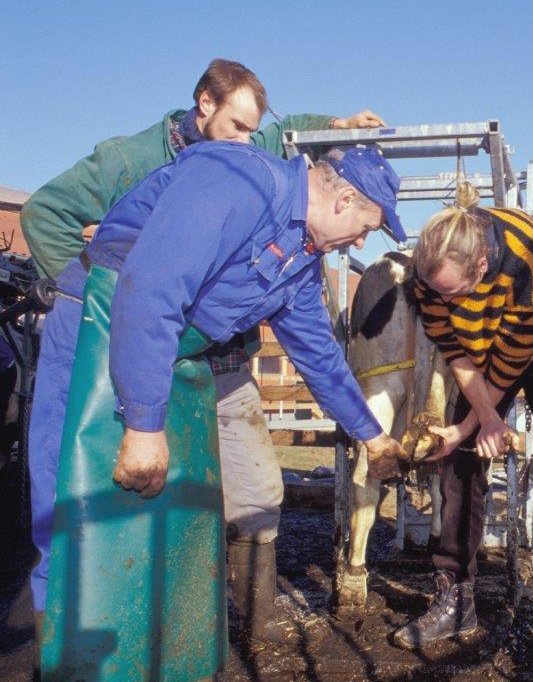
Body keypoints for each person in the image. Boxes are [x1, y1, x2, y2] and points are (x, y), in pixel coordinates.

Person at [20, 57, 386, 650]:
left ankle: (150, 644)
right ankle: (64, 648)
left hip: (177, 348)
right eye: (367, 225)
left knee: (160, 505)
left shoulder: (294, 243)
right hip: (99, 318)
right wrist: (76, 288)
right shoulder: (218, 174)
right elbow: (149, 285)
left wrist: (371, 434)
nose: (363, 242)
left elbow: (319, 354)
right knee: (71, 495)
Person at [393, 182, 533, 682]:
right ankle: (455, 595)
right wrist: (472, 427)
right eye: (435, 292)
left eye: (452, 292)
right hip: (484, 354)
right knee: (458, 463)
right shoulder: (428, 273)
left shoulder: (532, 259)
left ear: (481, 267)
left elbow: (512, 362)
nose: (441, 300)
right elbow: (458, 353)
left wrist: (481, 421)